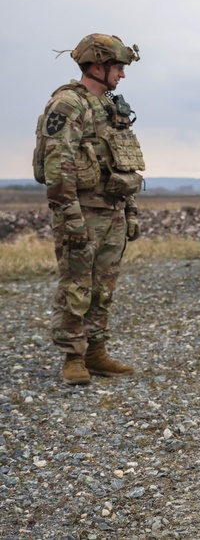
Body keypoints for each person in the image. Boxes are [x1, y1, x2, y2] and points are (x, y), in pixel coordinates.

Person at [33, 33, 145, 385]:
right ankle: (73, 357)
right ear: (97, 66)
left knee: (104, 287)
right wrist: (71, 219)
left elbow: (123, 163)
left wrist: (129, 211)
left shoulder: (110, 107)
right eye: (118, 67)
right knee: (76, 285)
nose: (122, 75)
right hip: (80, 212)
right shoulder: (68, 105)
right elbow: (57, 166)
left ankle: (96, 352)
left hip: (111, 211)